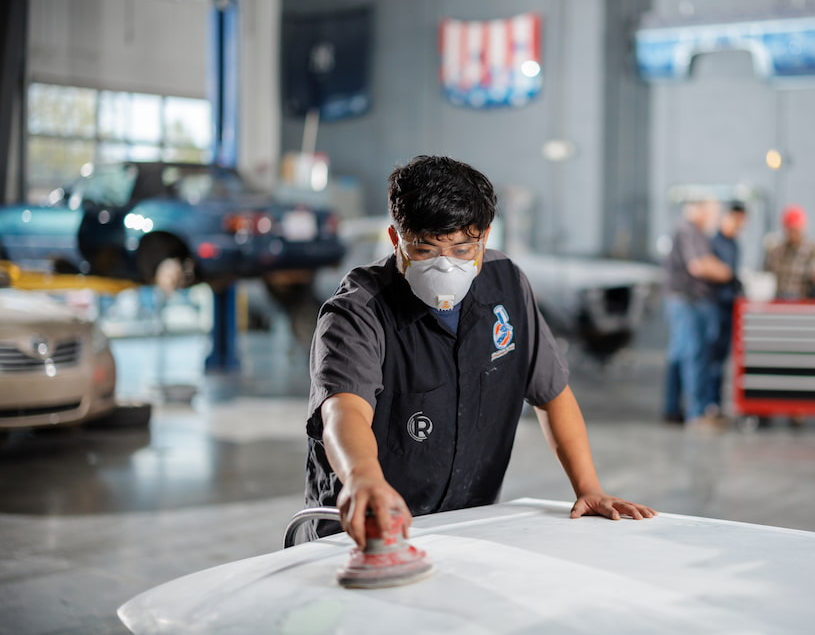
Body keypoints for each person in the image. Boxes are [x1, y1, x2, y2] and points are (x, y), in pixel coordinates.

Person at [304, 155, 655, 546]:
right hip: (363, 528)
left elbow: (552, 393)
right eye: (423, 250)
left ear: (485, 238)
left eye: (462, 249)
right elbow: (345, 410)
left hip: (467, 527)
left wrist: (588, 487)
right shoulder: (358, 310)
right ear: (395, 239)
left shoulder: (506, 287)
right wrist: (361, 476)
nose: (444, 267)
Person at [662, 198, 733, 425]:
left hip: (685, 302)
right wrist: (726, 272)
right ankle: (696, 413)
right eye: (713, 211)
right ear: (701, 210)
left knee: (679, 355)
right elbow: (698, 265)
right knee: (695, 355)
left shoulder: (692, 232)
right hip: (689, 302)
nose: (715, 216)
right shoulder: (689, 230)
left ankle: (673, 409)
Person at [706, 201, 747, 419]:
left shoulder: (734, 244)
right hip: (714, 305)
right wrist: (729, 276)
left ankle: (718, 402)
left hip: (730, 305)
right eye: (736, 220)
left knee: (723, 357)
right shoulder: (714, 243)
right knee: (711, 357)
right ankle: (709, 403)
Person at [764, 205, 815, 299]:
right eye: (790, 230)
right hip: (780, 300)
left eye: (796, 230)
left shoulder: (813, 249)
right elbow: (766, 274)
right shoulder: (777, 250)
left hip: (802, 301)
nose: (793, 234)